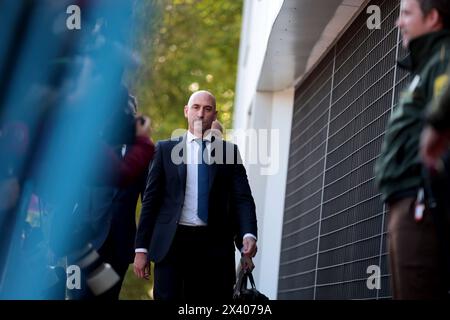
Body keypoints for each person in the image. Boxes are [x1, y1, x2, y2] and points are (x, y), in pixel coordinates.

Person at [133, 90, 258, 301]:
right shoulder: (165, 150)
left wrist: (248, 235)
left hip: (214, 247)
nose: (201, 114)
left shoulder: (229, 153)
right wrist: (141, 248)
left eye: (207, 109)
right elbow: (150, 201)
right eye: (196, 108)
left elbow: (242, 199)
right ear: (186, 111)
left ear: (215, 115)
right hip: (172, 244)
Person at [374, 0, 450, 299]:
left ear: (432, 17)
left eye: (406, 14)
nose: (398, 23)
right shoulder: (430, 61)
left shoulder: (444, 54)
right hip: (407, 202)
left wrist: (434, 126)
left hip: (421, 200)